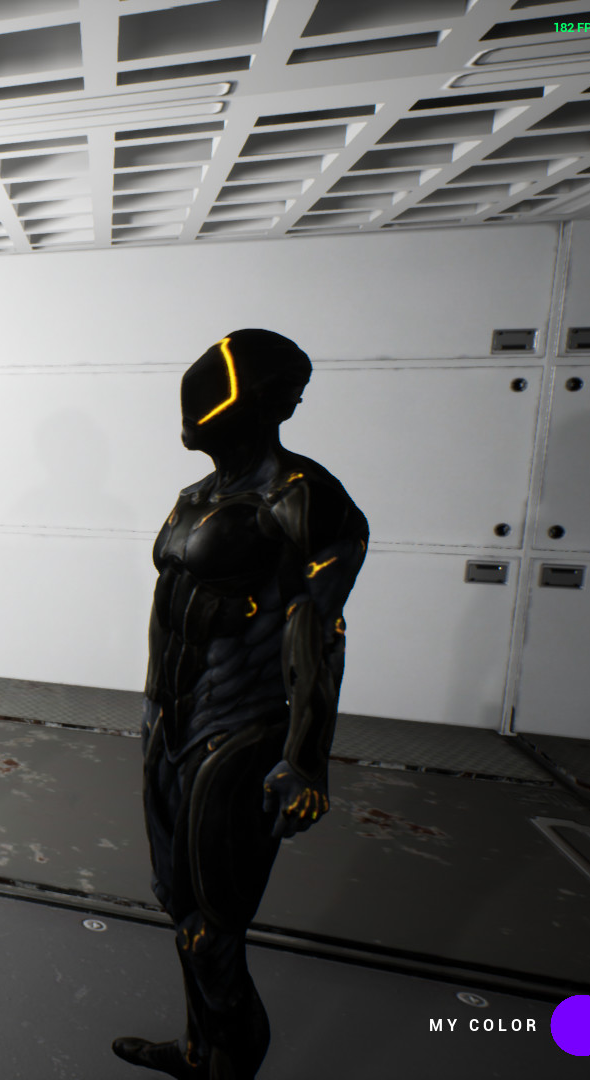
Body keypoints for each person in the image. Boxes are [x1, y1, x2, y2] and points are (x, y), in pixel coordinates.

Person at [114, 329, 368, 1078]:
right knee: (179, 908)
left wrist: (306, 760)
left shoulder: (302, 497)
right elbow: (170, 610)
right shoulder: (193, 499)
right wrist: (151, 716)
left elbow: (318, 630)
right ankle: (199, 1050)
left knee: (213, 931)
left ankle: (232, 1063)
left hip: (238, 730)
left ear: (267, 403)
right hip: (169, 724)